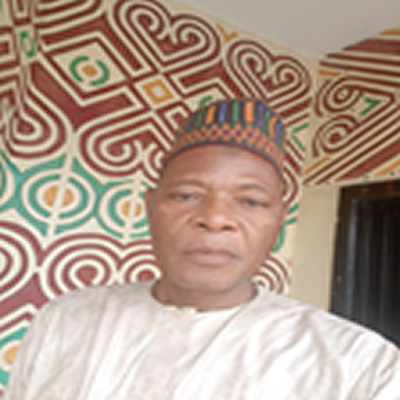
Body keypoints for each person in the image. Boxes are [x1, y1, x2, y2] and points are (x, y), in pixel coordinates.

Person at [3, 98, 400, 399]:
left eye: (251, 201)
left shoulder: (360, 365)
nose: (215, 218)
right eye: (186, 195)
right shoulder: (66, 318)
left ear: (278, 222)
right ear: (150, 208)